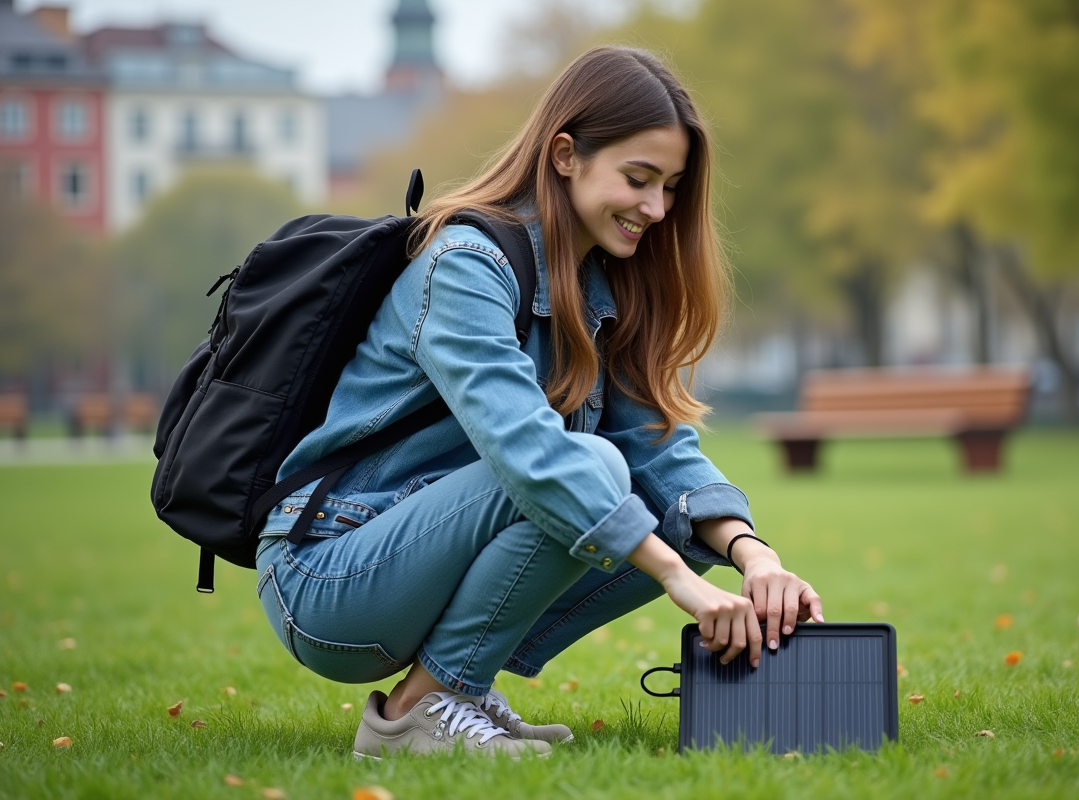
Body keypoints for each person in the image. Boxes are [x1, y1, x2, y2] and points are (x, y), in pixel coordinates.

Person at [254, 46, 823, 760]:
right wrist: (678, 584)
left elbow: (659, 447)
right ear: (564, 155)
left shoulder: (602, 288)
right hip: (327, 574)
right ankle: (416, 713)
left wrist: (754, 557)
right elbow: (527, 452)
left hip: (415, 554)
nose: (656, 208)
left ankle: (458, 686)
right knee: (584, 470)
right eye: (639, 179)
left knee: (680, 520)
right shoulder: (465, 264)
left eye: (671, 187)